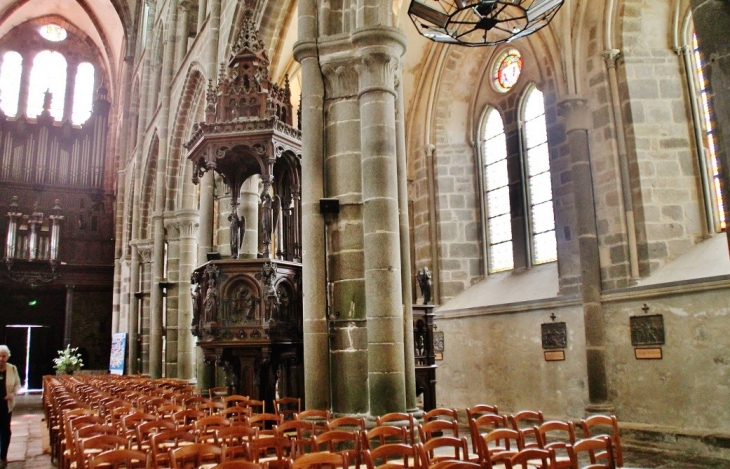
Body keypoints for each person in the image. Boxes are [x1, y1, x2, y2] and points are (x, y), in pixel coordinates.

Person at [0, 345, 21, 468]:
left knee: (5, 430)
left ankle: (3, 456)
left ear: (7, 357)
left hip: (6, 405)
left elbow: (17, 384)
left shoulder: (12, 368)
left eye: (4, 356)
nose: (1, 358)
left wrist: (12, 394)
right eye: (0, 355)